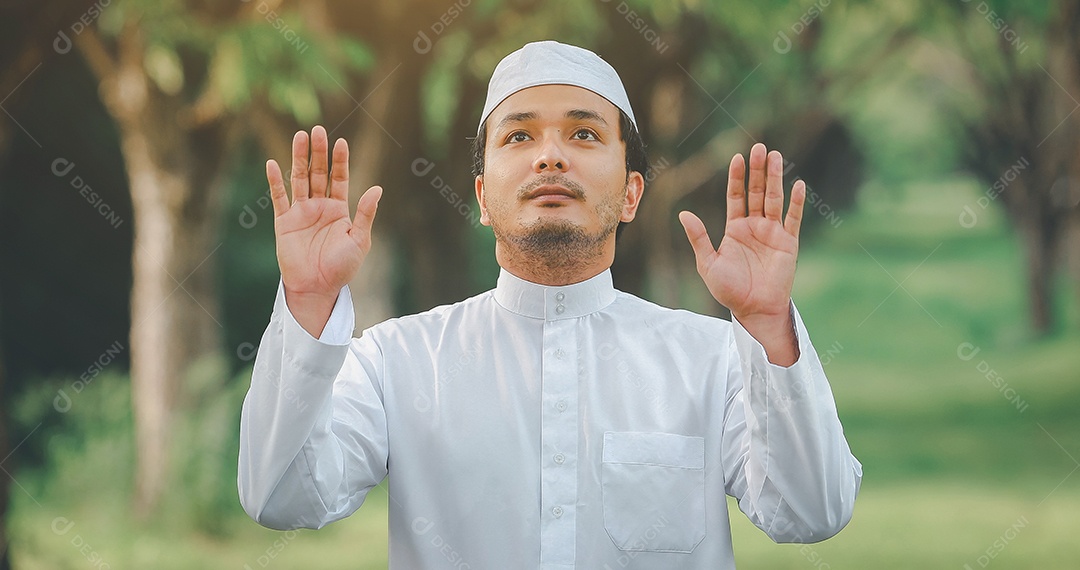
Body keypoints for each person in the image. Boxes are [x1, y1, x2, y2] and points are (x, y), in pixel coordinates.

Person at [238, 40, 861, 569]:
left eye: (584, 133)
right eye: (520, 135)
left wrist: (766, 325)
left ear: (630, 193)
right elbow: (281, 497)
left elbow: (811, 512)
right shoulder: (397, 361)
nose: (550, 155)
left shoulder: (714, 359)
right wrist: (309, 301)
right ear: (482, 198)